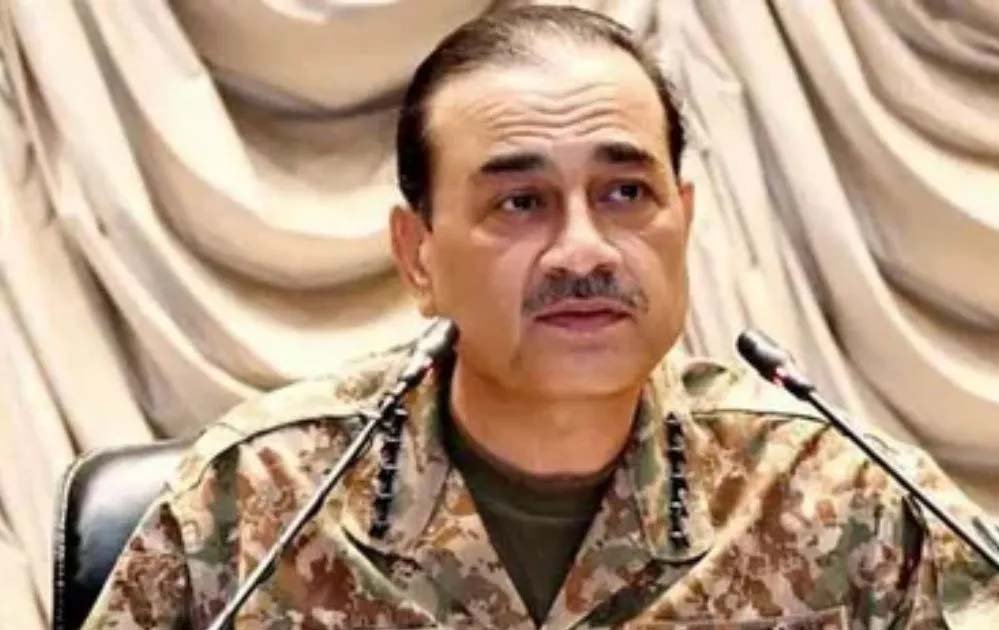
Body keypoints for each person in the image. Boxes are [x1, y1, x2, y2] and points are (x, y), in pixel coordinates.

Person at [82, 6, 998, 629]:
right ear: (418, 255)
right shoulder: (256, 504)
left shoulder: (842, 502)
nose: (583, 251)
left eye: (625, 192)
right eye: (520, 203)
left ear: (683, 221)